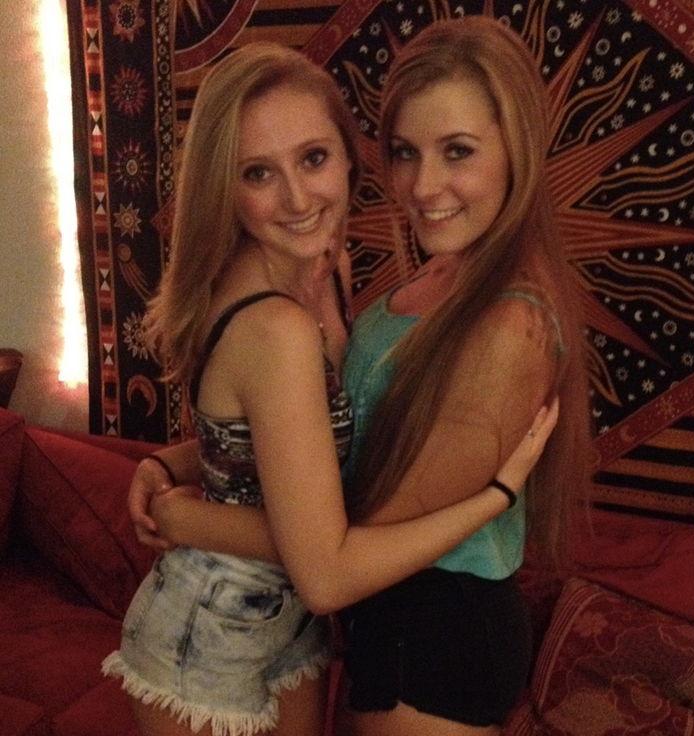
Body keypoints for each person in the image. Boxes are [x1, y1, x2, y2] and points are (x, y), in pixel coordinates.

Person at [103, 37, 562, 736]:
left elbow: (335, 551)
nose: (425, 187)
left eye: (458, 151)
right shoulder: (424, 274)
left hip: (434, 637)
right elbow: (326, 433)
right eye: (405, 152)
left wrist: (186, 517)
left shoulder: (507, 325)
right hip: (331, 630)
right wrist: (183, 460)